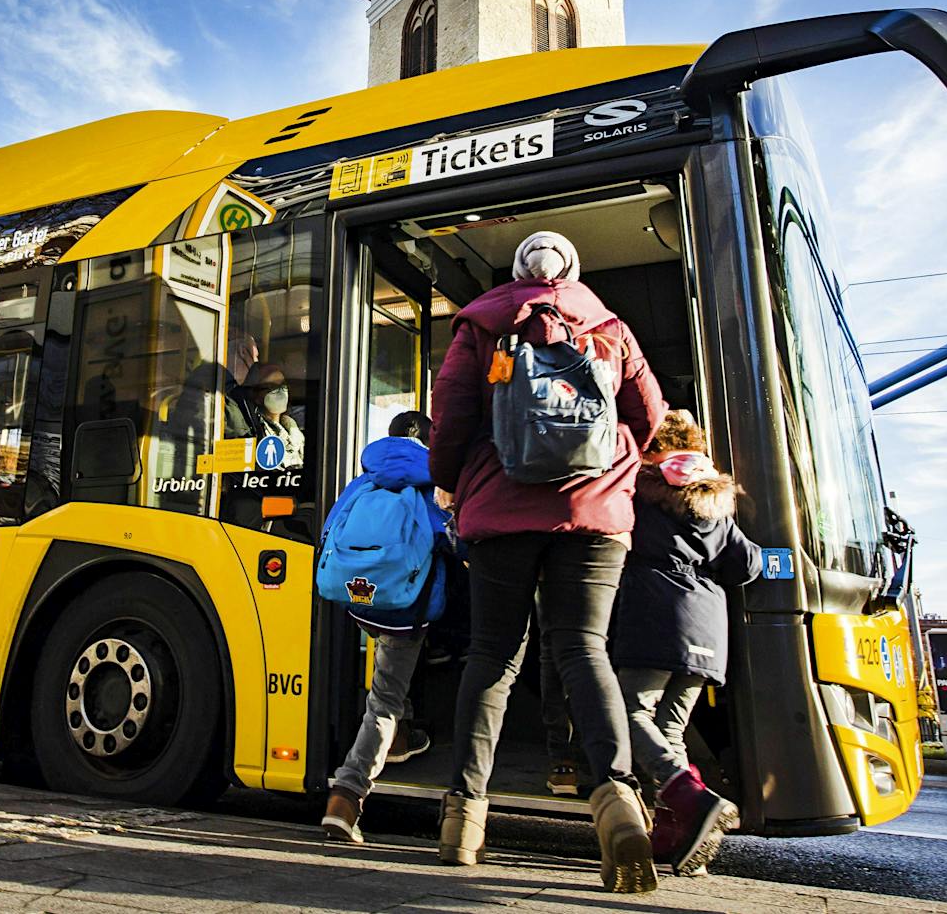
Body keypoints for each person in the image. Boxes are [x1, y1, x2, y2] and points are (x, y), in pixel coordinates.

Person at [430, 231, 664, 891]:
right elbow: (650, 415)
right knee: (584, 650)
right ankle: (618, 803)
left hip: (500, 508)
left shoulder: (481, 324)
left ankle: (464, 820)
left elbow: (451, 416)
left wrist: (449, 481)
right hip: (594, 513)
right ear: (573, 272)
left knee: (492, 657)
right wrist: (611, 464)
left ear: (515, 272)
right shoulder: (610, 327)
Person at [610, 409, 758, 876]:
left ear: (653, 448)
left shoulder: (640, 489)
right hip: (709, 624)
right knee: (671, 728)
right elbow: (747, 565)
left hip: (654, 613)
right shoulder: (715, 497)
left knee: (630, 712)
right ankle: (679, 836)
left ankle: (688, 793)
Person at [320, 411, 450, 843]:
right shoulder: (430, 484)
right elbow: (451, 538)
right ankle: (347, 794)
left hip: (362, 603)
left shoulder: (363, 481)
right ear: (429, 442)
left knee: (389, 686)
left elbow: (329, 532)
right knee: (384, 702)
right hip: (405, 610)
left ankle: (400, 736)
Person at [246, 363, 305, 466]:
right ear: (256, 395)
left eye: (283, 385)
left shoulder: (293, 429)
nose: (280, 391)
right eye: (272, 387)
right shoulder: (254, 432)